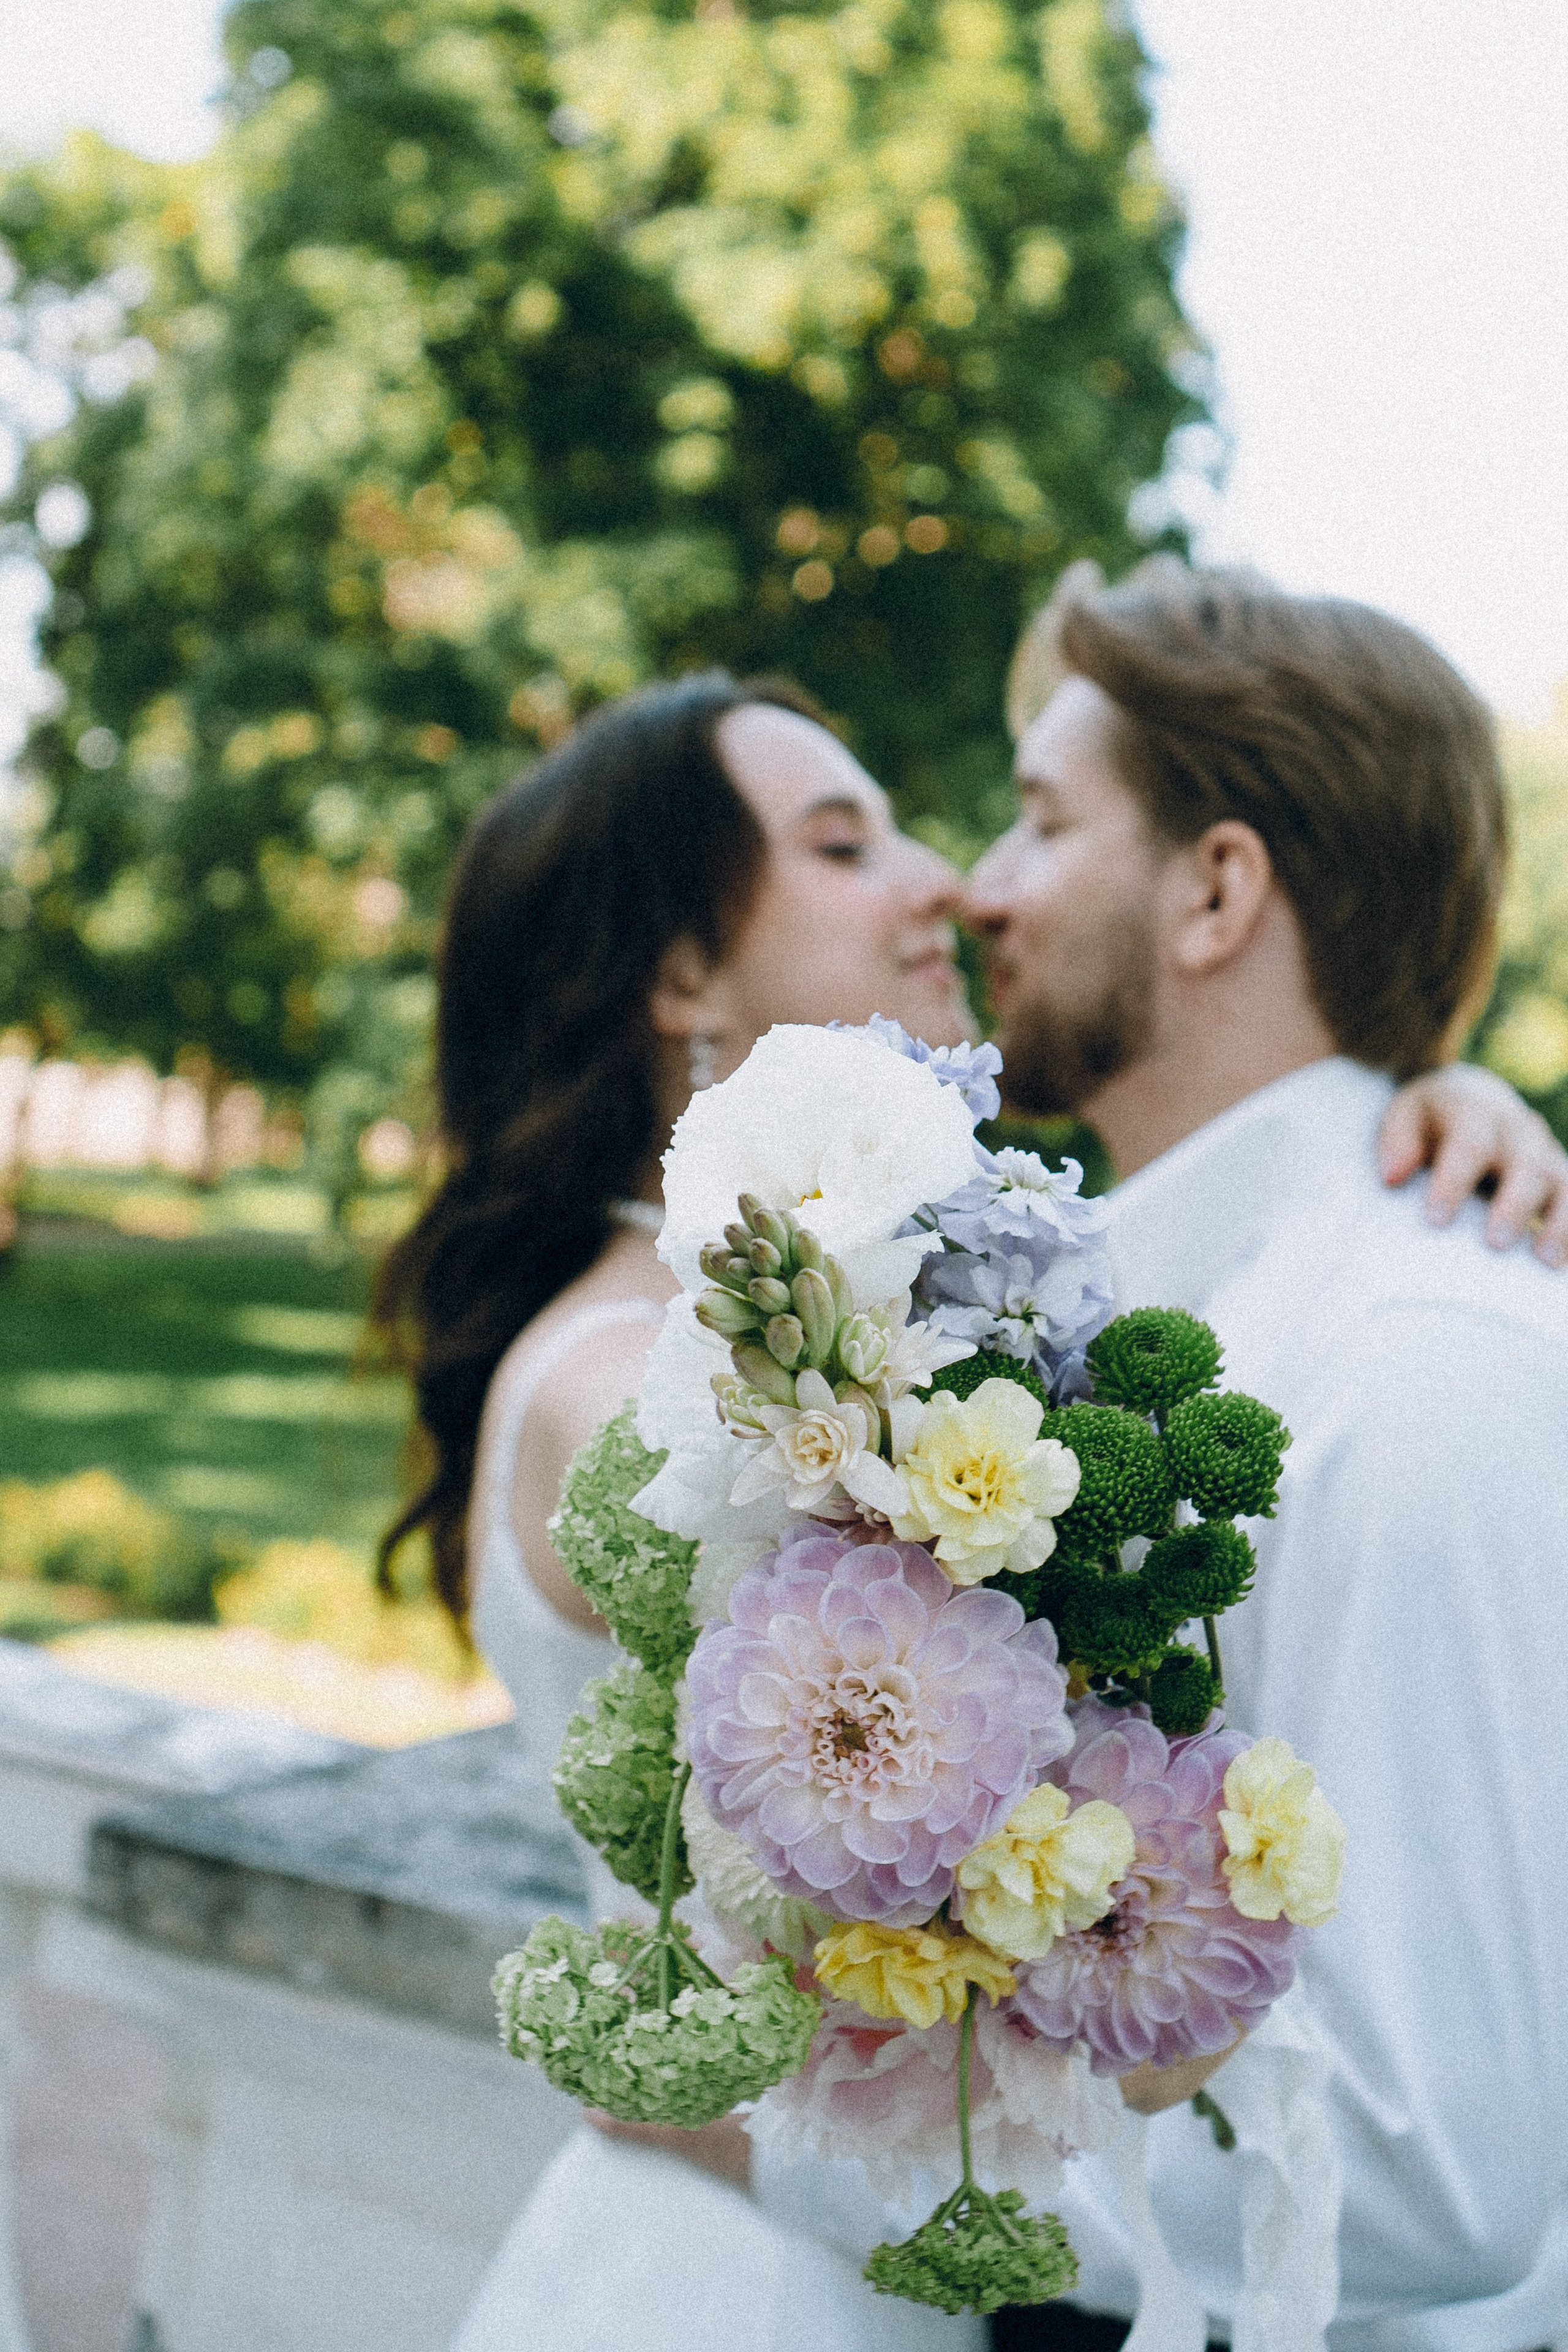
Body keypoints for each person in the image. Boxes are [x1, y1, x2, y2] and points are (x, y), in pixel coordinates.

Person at [375, 665, 1566, 2352]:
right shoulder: (632, 1380)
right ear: (686, 973)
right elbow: (1012, 1745)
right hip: (745, 2266)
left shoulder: (872, 1314)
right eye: (844, 843)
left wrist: (1397, 1113)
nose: (942, 877)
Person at [965, 561, 1568, 2352]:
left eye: (1041, 822)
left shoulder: (1419, 1370)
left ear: (1217, 889)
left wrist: (859, 2154)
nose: (979, 886)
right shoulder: (1085, 1320)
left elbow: (1425, 2172)